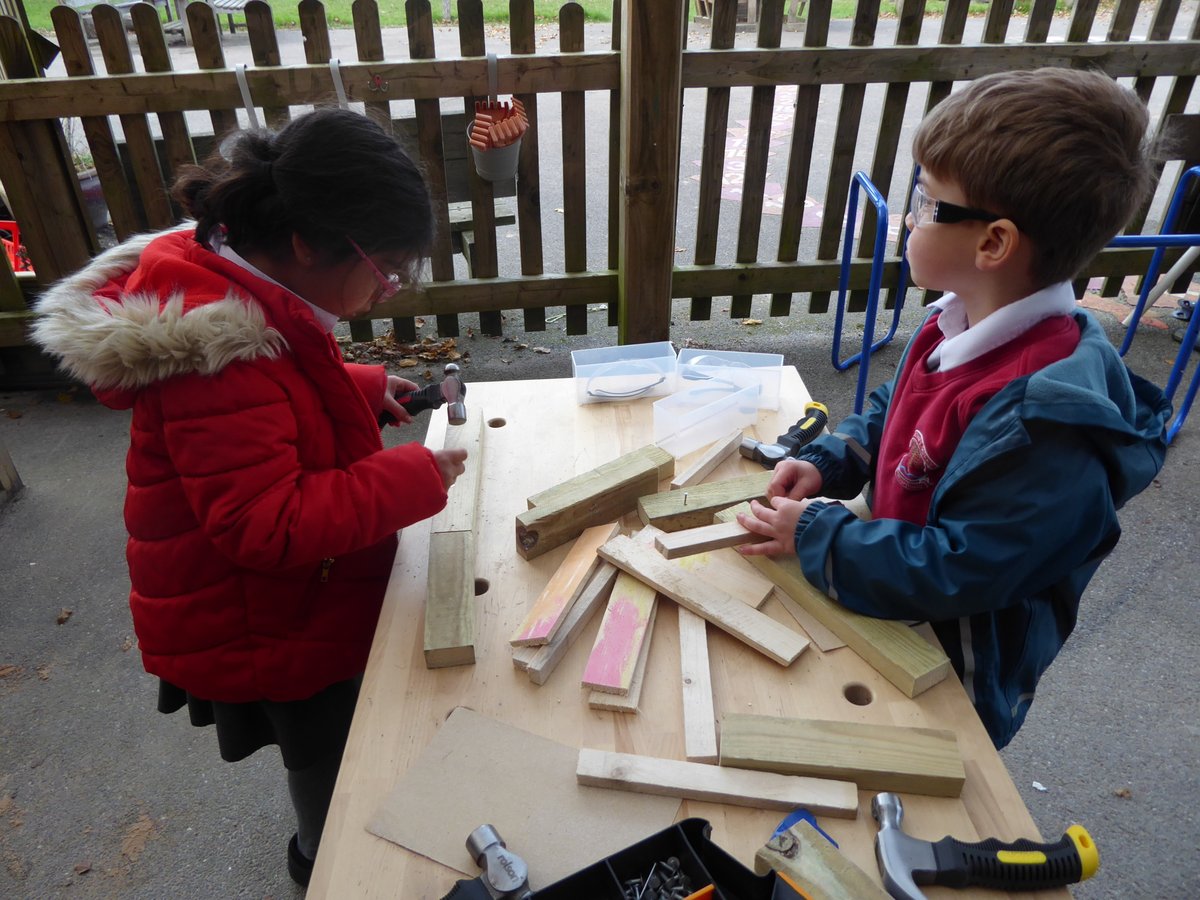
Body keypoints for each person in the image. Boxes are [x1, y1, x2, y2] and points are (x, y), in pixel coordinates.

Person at [31, 107, 467, 886]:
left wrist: (358, 389)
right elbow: (264, 524)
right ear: (306, 242)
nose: (389, 289)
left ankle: (332, 843)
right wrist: (413, 479)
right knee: (331, 757)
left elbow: (275, 398)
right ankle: (329, 868)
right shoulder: (218, 347)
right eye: (385, 266)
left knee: (339, 745)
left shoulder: (234, 282)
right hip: (269, 623)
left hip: (295, 599)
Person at [737, 68, 1172, 749]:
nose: (910, 216)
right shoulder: (960, 321)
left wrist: (819, 534)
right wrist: (832, 459)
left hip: (952, 671)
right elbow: (898, 412)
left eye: (926, 201)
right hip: (890, 598)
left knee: (919, 788)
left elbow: (963, 569)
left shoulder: (1045, 425)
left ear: (992, 243)